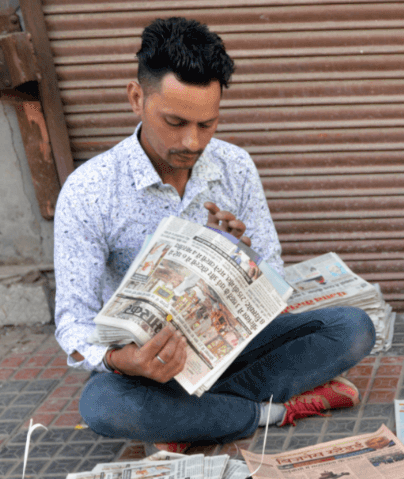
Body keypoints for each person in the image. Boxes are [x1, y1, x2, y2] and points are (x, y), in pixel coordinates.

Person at [54, 17, 374, 447]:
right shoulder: (89, 191)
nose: (191, 142)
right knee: (103, 406)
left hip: (234, 350)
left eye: (207, 125)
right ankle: (268, 412)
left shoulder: (234, 166)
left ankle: (193, 418)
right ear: (136, 98)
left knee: (353, 329)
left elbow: (275, 276)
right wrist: (123, 359)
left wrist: (244, 255)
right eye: (175, 121)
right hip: (151, 372)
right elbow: (73, 322)